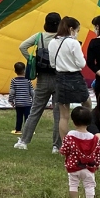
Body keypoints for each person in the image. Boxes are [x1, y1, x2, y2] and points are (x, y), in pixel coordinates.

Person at [15, 12, 62, 152]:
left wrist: (32, 60)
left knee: (35, 111)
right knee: (59, 114)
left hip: (42, 78)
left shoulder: (39, 36)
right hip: (59, 77)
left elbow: (22, 46)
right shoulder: (62, 39)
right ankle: (56, 145)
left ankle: (24, 141)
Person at [49, 16, 88, 144]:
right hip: (75, 77)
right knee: (87, 104)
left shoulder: (52, 42)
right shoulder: (73, 43)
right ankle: (87, 135)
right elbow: (81, 63)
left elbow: (52, 64)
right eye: (77, 30)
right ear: (71, 29)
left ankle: (65, 145)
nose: (77, 33)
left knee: (63, 115)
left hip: (60, 77)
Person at [60, 106, 100, 198]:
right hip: (89, 167)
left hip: (73, 165)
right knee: (89, 184)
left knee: (73, 184)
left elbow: (65, 149)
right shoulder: (94, 138)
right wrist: (98, 163)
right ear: (89, 122)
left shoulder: (70, 135)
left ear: (73, 121)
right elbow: (98, 151)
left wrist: (63, 152)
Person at [8, 61, 32, 135]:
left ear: (15, 71)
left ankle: (18, 129)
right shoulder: (28, 80)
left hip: (18, 103)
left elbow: (12, 91)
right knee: (28, 117)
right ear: (24, 70)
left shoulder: (14, 80)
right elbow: (32, 91)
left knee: (19, 117)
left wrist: (11, 100)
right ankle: (28, 130)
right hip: (27, 103)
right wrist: (34, 99)